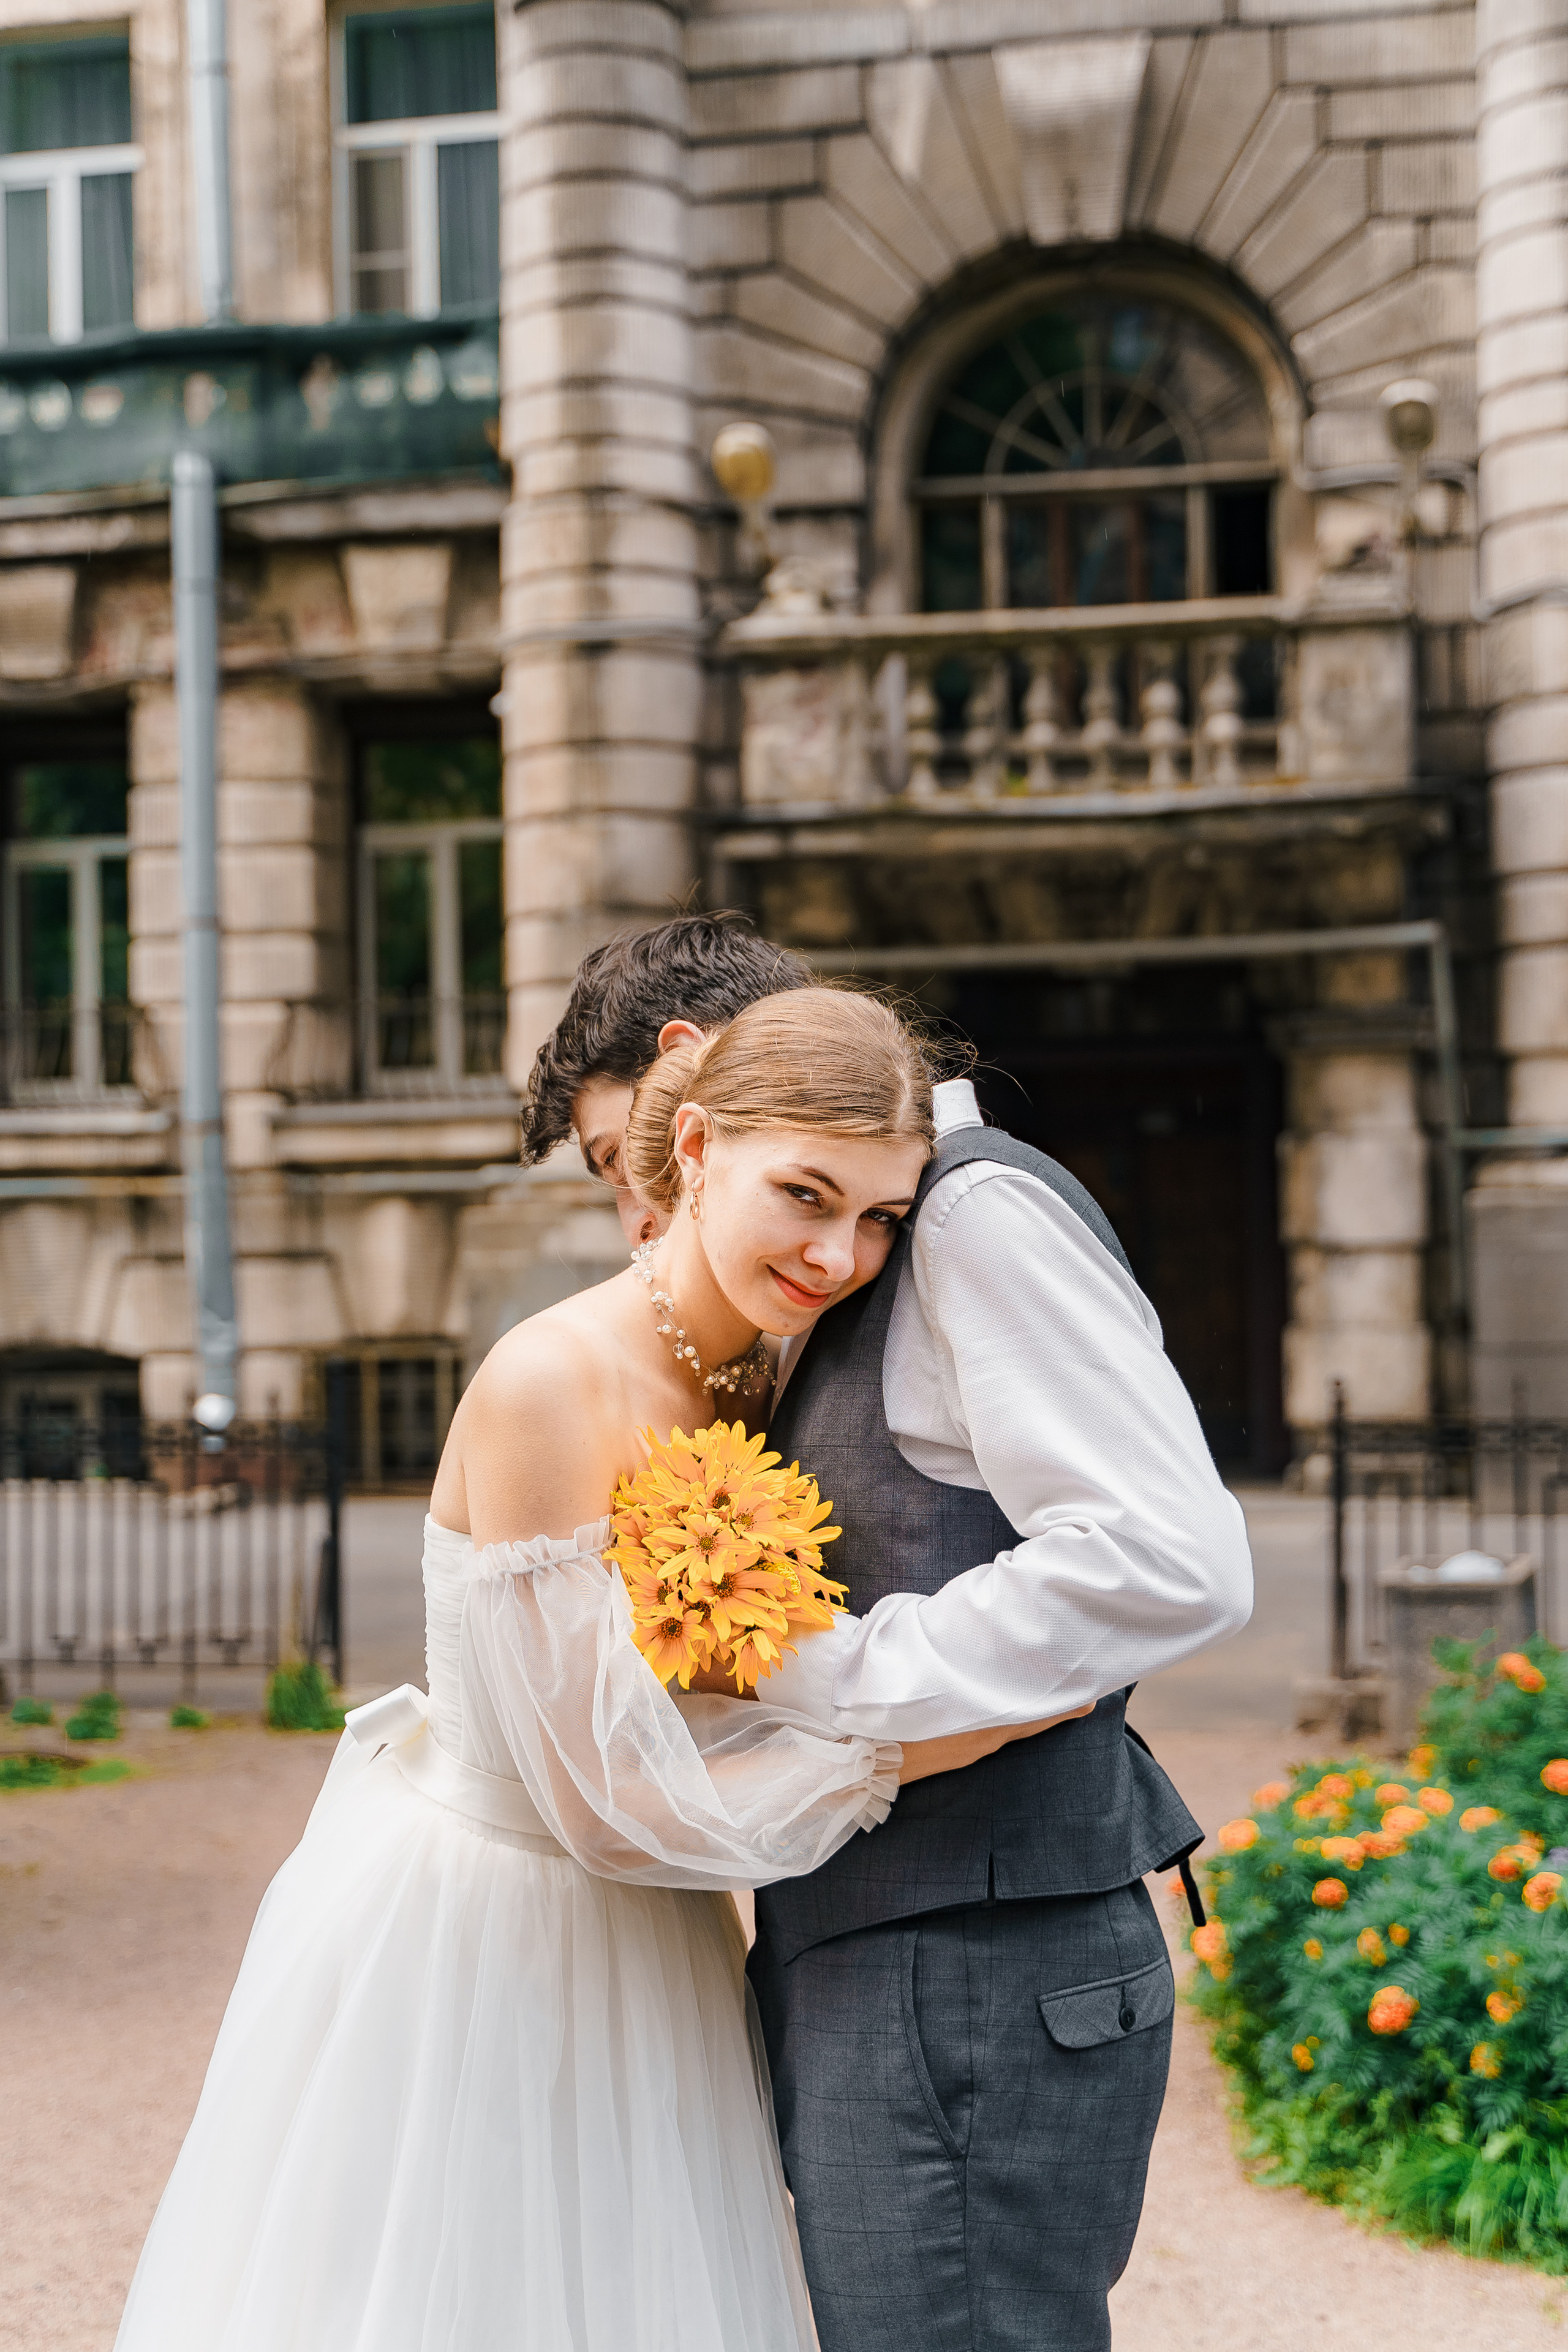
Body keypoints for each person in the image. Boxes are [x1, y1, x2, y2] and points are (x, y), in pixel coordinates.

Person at [114, 988, 1084, 2352]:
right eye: (805, 1196)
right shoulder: (549, 1381)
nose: (836, 1254)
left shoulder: (760, 1375)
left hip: (657, 1941)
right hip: (494, 1925)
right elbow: (604, 1805)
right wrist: (957, 1730)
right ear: (689, 1148)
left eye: (877, 1218)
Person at [525, 911, 1255, 2352]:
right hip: (913, 1952)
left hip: (967, 1974)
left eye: (623, 1161)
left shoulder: (969, 1216)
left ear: (689, 1082)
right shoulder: (879, 1236)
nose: (637, 1218)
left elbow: (1168, 1557)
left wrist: (841, 1681)